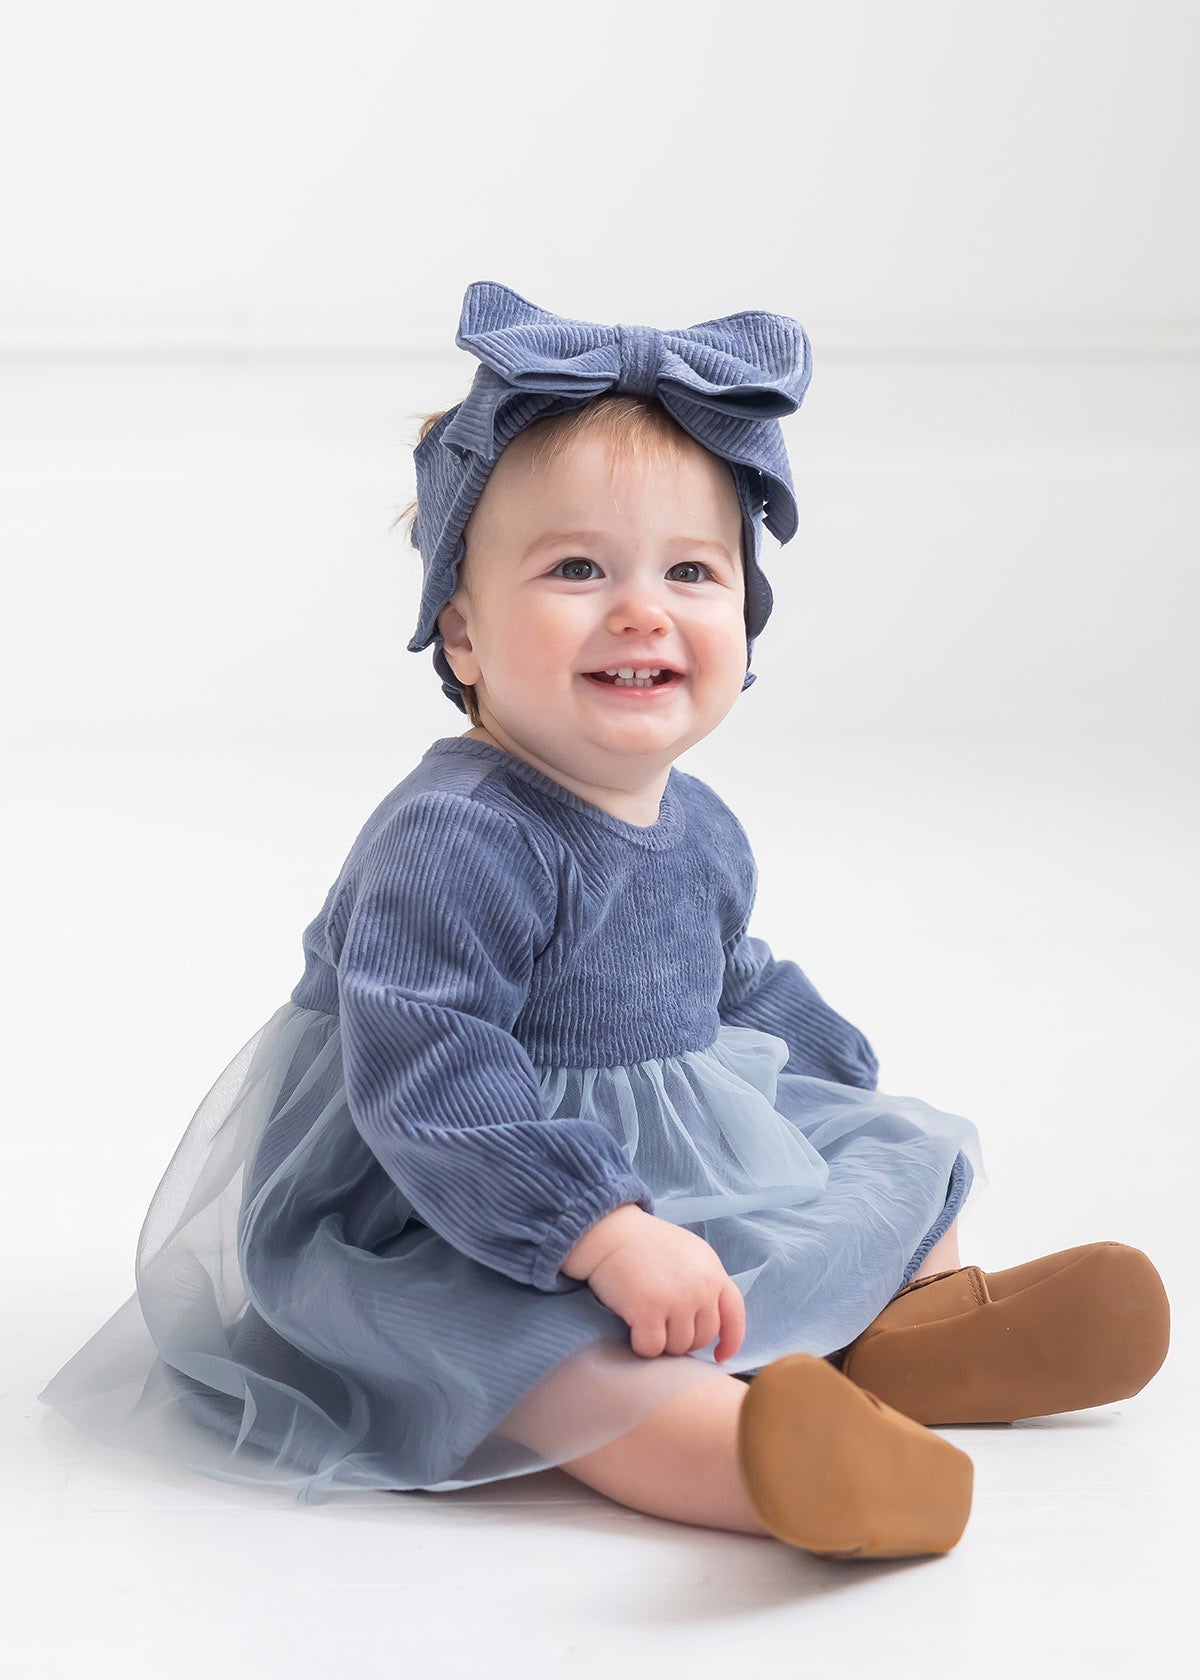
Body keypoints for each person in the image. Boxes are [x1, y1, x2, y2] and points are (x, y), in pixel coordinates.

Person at [38, 280, 1170, 1562]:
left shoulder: (698, 821)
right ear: (461, 633)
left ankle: (915, 1335)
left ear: (745, 621)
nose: (641, 608)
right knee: (550, 1354)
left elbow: (726, 972)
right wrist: (599, 1230)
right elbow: (430, 1073)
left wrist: (824, 1066)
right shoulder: (457, 836)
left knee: (893, 1152)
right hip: (459, 1191)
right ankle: (758, 1463)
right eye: (577, 569)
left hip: (659, 1138)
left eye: (692, 571)